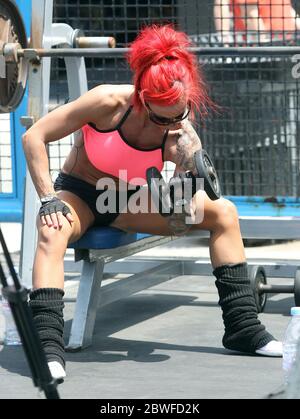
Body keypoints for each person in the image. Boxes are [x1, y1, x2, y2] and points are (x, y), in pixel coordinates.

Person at [22, 24, 282, 381]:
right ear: (142, 98)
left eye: (180, 113)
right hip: (81, 193)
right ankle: (48, 348)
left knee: (224, 213)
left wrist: (179, 175)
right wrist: (47, 198)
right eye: (163, 116)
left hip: (130, 202)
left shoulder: (181, 129)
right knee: (50, 230)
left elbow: (183, 193)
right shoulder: (107, 102)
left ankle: (243, 329)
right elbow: (34, 137)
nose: (173, 122)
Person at [214, 0, 300, 43]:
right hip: (266, 50)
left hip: (287, 45)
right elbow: (251, 15)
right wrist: (263, 46)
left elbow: (287, 8)